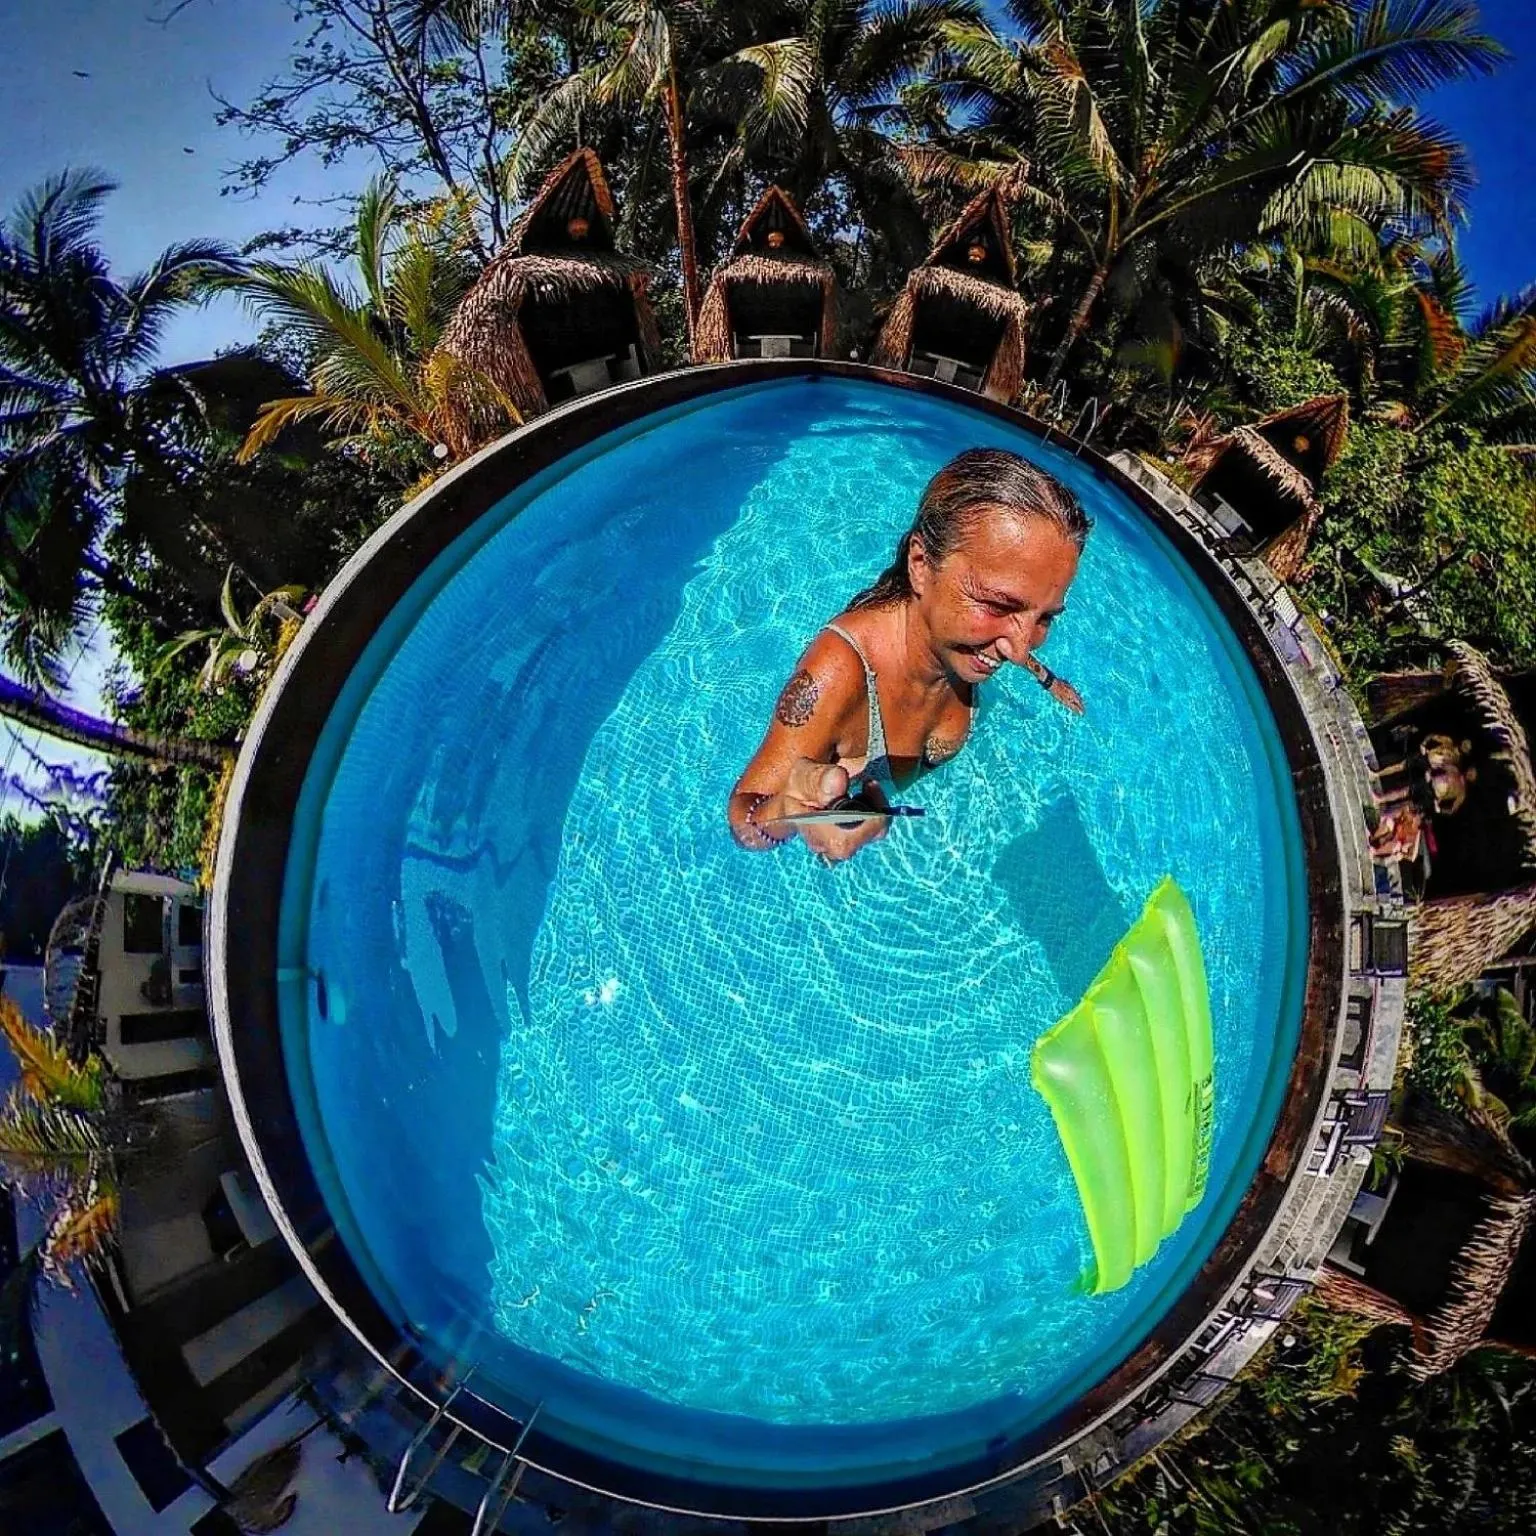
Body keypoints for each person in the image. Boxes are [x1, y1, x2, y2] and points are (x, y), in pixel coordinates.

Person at [728, 447, 1091, 863]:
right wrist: (788, 811)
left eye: (1046, 618)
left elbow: (1017, 628)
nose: (1018, 648)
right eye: (997, 606)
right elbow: (744, 823)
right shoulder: (838, 672)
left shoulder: (980, 640)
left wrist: (1047, 678)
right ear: (920, 564)